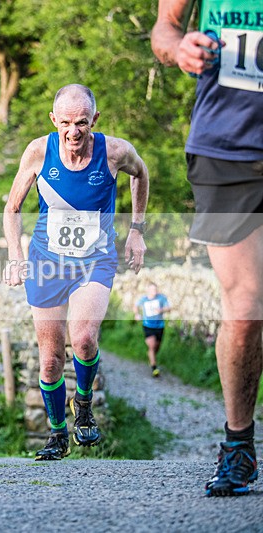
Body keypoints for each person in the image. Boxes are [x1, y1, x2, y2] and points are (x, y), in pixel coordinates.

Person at [152, 0, 263, 497]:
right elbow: (165, 31)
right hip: (227, 150)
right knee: (245, 308)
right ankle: (238, 446)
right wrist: (181, 50)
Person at [4, 84, 149, 461]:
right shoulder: (39, 151)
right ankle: (56, 435)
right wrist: (15, 257)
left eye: (82, 122)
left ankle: (82, 406)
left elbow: (141, 174)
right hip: (46, 262)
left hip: (94, 259)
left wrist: (137, 230)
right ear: (54, 120)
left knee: (83, 338)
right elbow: (11, 208)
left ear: (94, 120)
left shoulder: (114, 151)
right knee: (51, 359)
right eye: (66, 122)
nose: (73, 132)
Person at [134, 282, 172, 377]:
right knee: (152, 346)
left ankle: (151, 357)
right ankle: (154, 368)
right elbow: (135, 306)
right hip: (147, 325)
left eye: (155, 289)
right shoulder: (144, 299)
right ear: (148, 290)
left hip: (159, 326)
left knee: (156, 347)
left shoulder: (161, 298)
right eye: (152, 289)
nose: (154, 291)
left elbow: (169, 308)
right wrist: (137, 314)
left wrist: (161, 310)